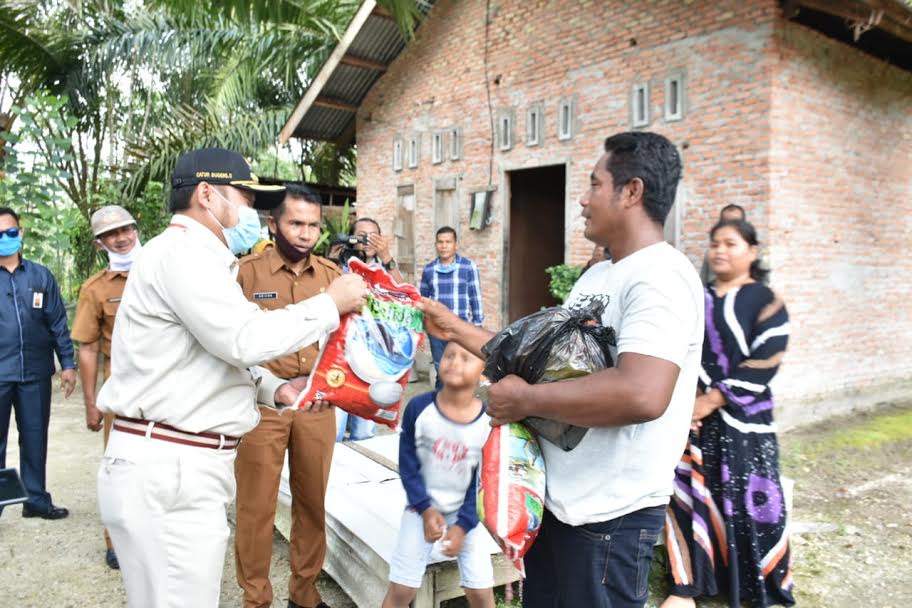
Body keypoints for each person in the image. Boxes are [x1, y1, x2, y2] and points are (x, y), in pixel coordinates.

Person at [418, 131, 704, 607]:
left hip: (610, 517)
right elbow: (534, 363)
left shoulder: (661, 277)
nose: (583, 198)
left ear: (630, 192)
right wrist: (452, 327)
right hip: (559, 503)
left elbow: (642, 394)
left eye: (594, 184)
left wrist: (525, 401)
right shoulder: (598, 275)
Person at [95, 148, 369, 608]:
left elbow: (213, 353)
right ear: (207, 194)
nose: (249, 211)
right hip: (170, 463)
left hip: (178, 461)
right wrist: (330, 304)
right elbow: (242, 338)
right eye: (243, 197)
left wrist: (276, 388)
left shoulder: (198, 257)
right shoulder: (185, 255)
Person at [662, 219, 794, 608]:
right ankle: (688, 586)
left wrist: (712, 399)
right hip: (693, 420)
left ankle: (758, 587)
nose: (719, 250)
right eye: (714, 243)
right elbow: (679, 350)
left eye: (730, 243)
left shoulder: (767, 300)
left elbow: (767, 358)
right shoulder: (694, 298)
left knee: (753, 505)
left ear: (752, 252)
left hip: (746, 423)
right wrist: (688, 400)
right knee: (690, 497)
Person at [234, 184, 340, 608]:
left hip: (317, 406)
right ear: (273, 224)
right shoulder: (245, 273)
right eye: (296, 223)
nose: (305, 233)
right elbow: (230, 342)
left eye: (313, 226)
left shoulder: (333, 279)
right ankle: (256, 598)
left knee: (312, 503)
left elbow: (348, 342)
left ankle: (304, 593)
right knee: (256, 508)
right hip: (263, 406)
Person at [382, 342, 495, 608]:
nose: (455, 362)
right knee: (402, 588)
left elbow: (481, 483)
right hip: (420, 508)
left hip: (467, 514)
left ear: (483, 373)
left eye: (466, 358)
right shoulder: (418, 409)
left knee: (480, 591)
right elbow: (408, 464)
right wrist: (425, 510)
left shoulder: (488, 423)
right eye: (449, 355)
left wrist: (463, 525)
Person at [71, 204, 141, 569]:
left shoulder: (161, 272)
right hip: (121, 387)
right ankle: (116, 541)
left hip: (168, 384)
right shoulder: (95, 289)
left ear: (136, 228)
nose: (122, 238)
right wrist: (91, 404)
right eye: (112, 234)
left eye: (126, 229)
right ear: (101, 243)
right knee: (120, 465)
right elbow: (89, 347)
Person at [0, 206, 76, 521]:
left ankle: (36, 499)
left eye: (10, 232)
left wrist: (68, 363)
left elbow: (57, 322)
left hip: (35, 373)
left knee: (35, 436)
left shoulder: (40, 276)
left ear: (21, 232)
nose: (5, 238)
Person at [334, 217, 404, 441]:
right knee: (334, 426)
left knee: (365, 430)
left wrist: (386, 257)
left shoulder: (385, 267)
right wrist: (334, 260)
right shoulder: (342, 264)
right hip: (340, 353)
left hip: (373, 356)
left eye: (373, 235)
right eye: (361, 235)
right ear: (351, 238)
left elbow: (404, 294)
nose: (366, 241)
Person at [419, 227, 484, 391]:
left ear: (456, 245)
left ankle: (459, 406)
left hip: (461, 329)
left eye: (448, 242)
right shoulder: (429, 270)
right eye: (440, 242)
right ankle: (440, 406)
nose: (444, 246)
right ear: (436, 245)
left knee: (461, 369)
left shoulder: (468, 267)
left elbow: (475, 297)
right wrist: (419, 329)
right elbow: (422, 302)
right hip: (436, 330)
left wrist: (477, 326)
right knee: (442, 370)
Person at [700, 205, 745, 286]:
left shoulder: (753, 252)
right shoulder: (712, 252)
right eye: (726, 222)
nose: (731, 227)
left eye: (736, 222)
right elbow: (702, 284)